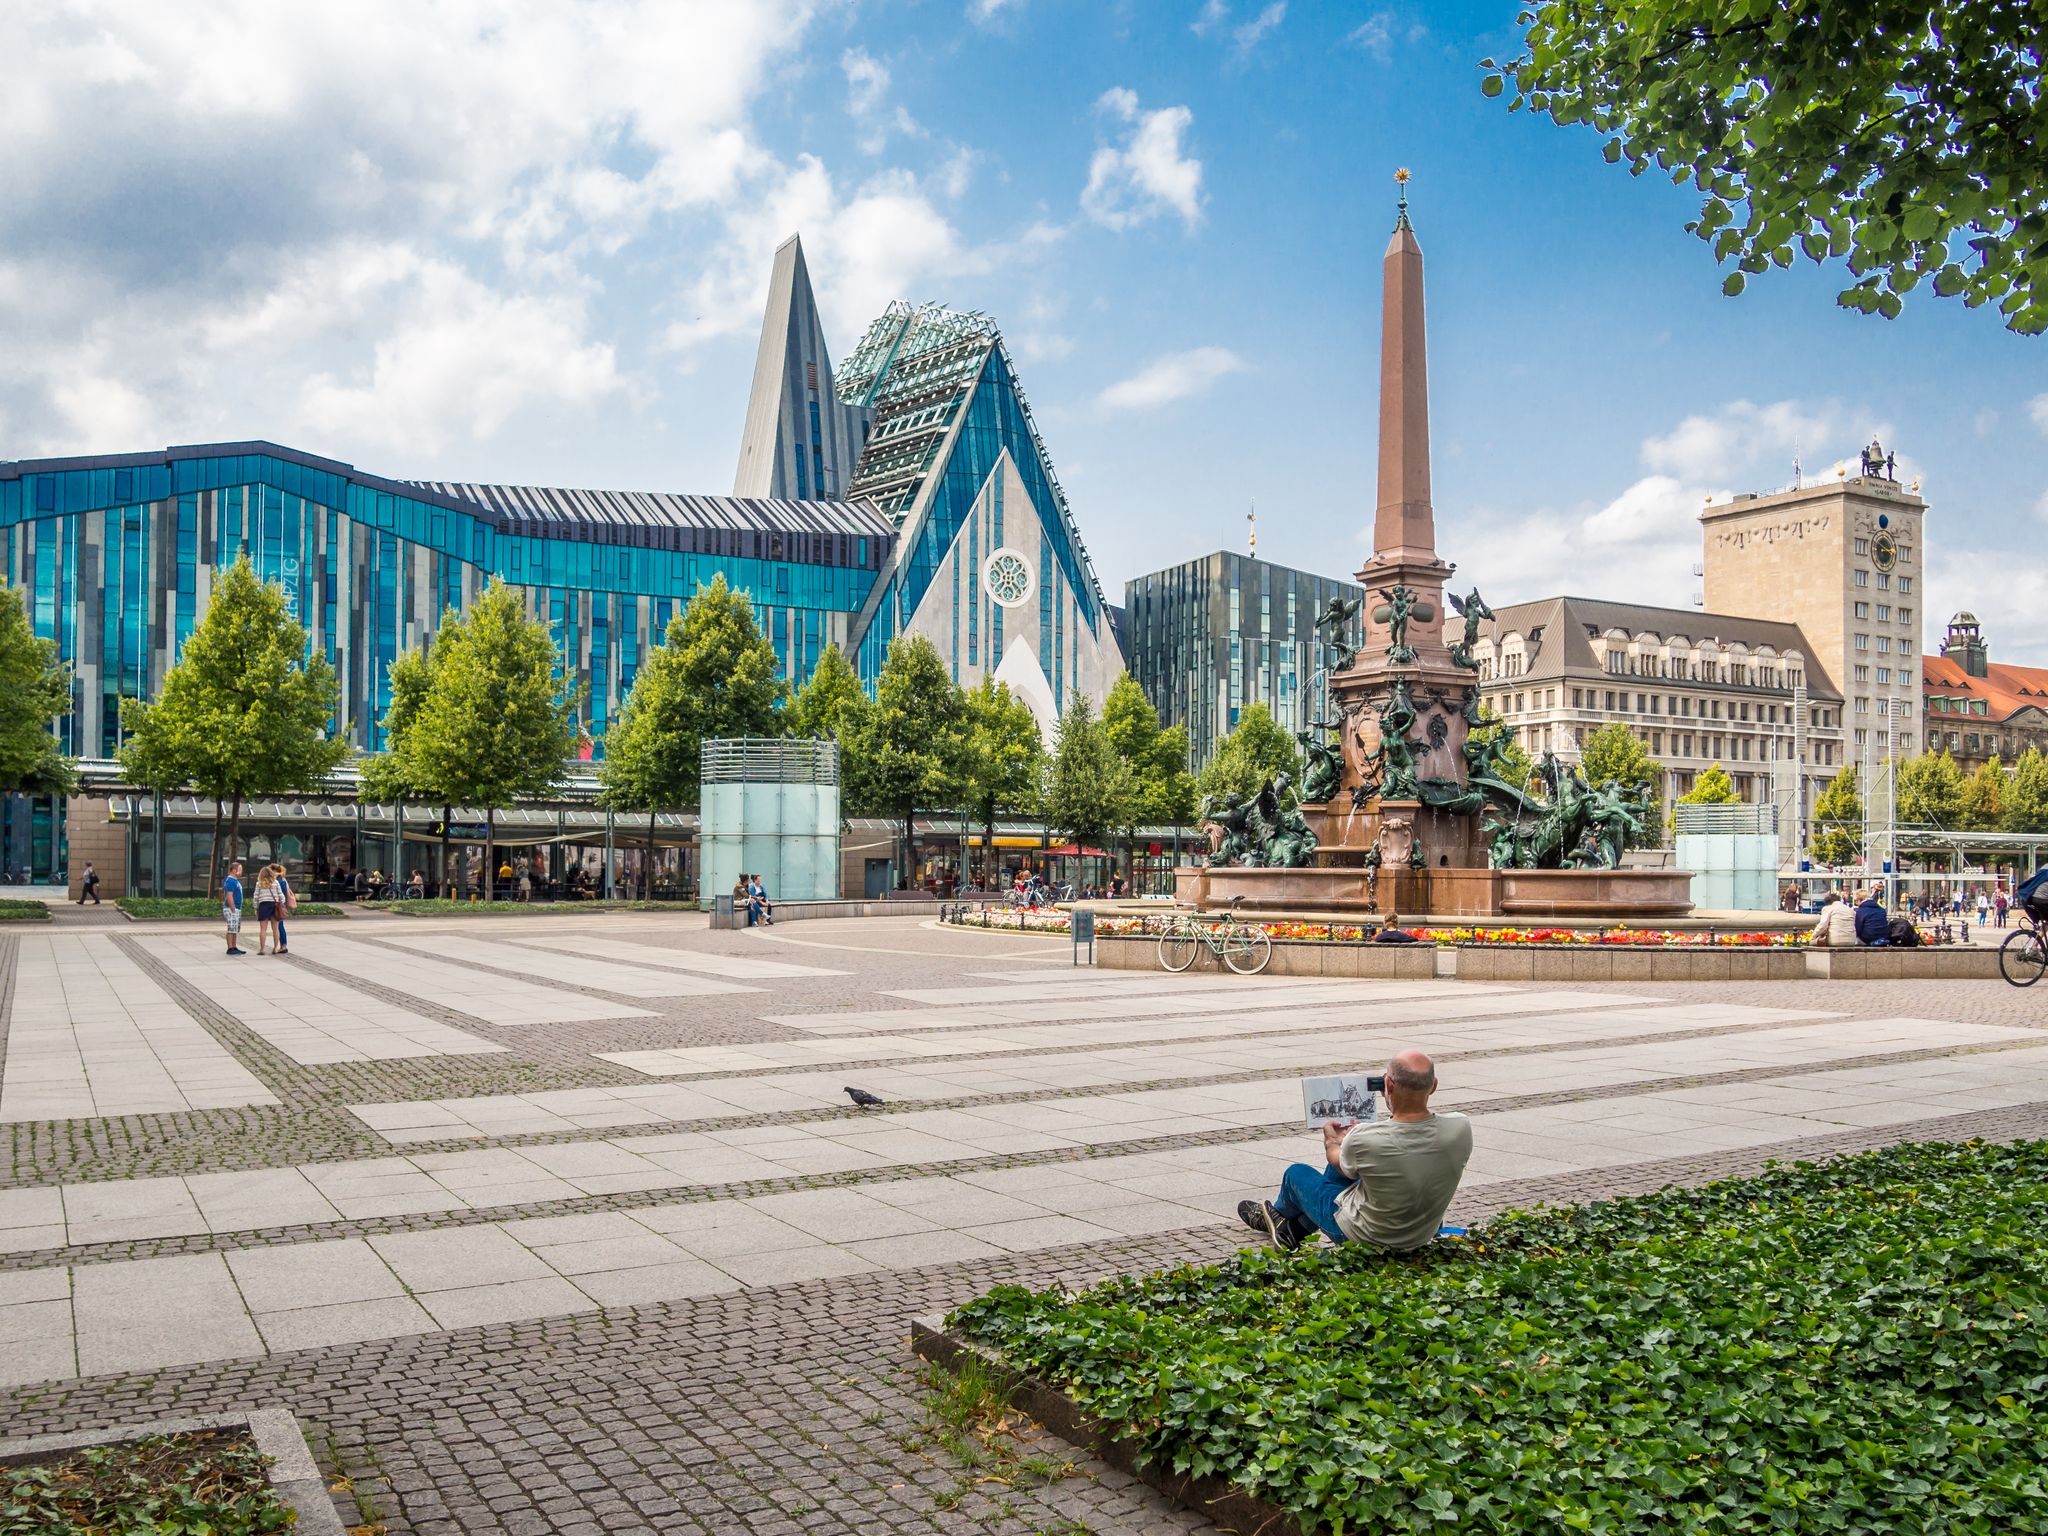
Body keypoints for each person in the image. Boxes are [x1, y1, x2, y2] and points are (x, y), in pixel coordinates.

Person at [1238, 1050, 1471, 1252]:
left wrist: (1332, 1142)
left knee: (1296, 1174)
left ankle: (1279, 1217)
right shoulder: (1460, 1127)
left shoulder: (1365, 1138)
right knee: (1355, 1169)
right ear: (1434, 1086)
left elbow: (1338, 1161)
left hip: (1364, 1237)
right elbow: (1408, 1144)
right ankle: (1293, 1228)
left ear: (1387, 1085)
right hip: (1421, 1233)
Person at [253, 862, 281, 955]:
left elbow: (256, 897)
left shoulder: (259, 884)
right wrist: (282, 904)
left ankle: (262, 949)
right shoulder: (276, 882)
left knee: (263, 929)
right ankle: (276, 948)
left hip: (263, 906)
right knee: (275, 928)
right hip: (274, 905)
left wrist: (256, 908)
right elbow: (281, 895)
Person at [222, 860, 247, 956]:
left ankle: (234, 946)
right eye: (239, 870)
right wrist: (232, 907)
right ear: (233, 870)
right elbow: (229, 895)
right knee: (231, 928)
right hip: (232, 908)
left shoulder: (235, 880)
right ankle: (230, 948)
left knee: (235, 929)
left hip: (236, 908)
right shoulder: (230, 881)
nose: (241, 872)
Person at [273, 862, 296, 955]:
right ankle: (283, 945)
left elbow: (280, 894)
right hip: (281, 905)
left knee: (279, 925)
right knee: (279, 925)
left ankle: (283, 945)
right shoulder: (283, 879)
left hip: (278, 905)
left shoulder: (279, 881)